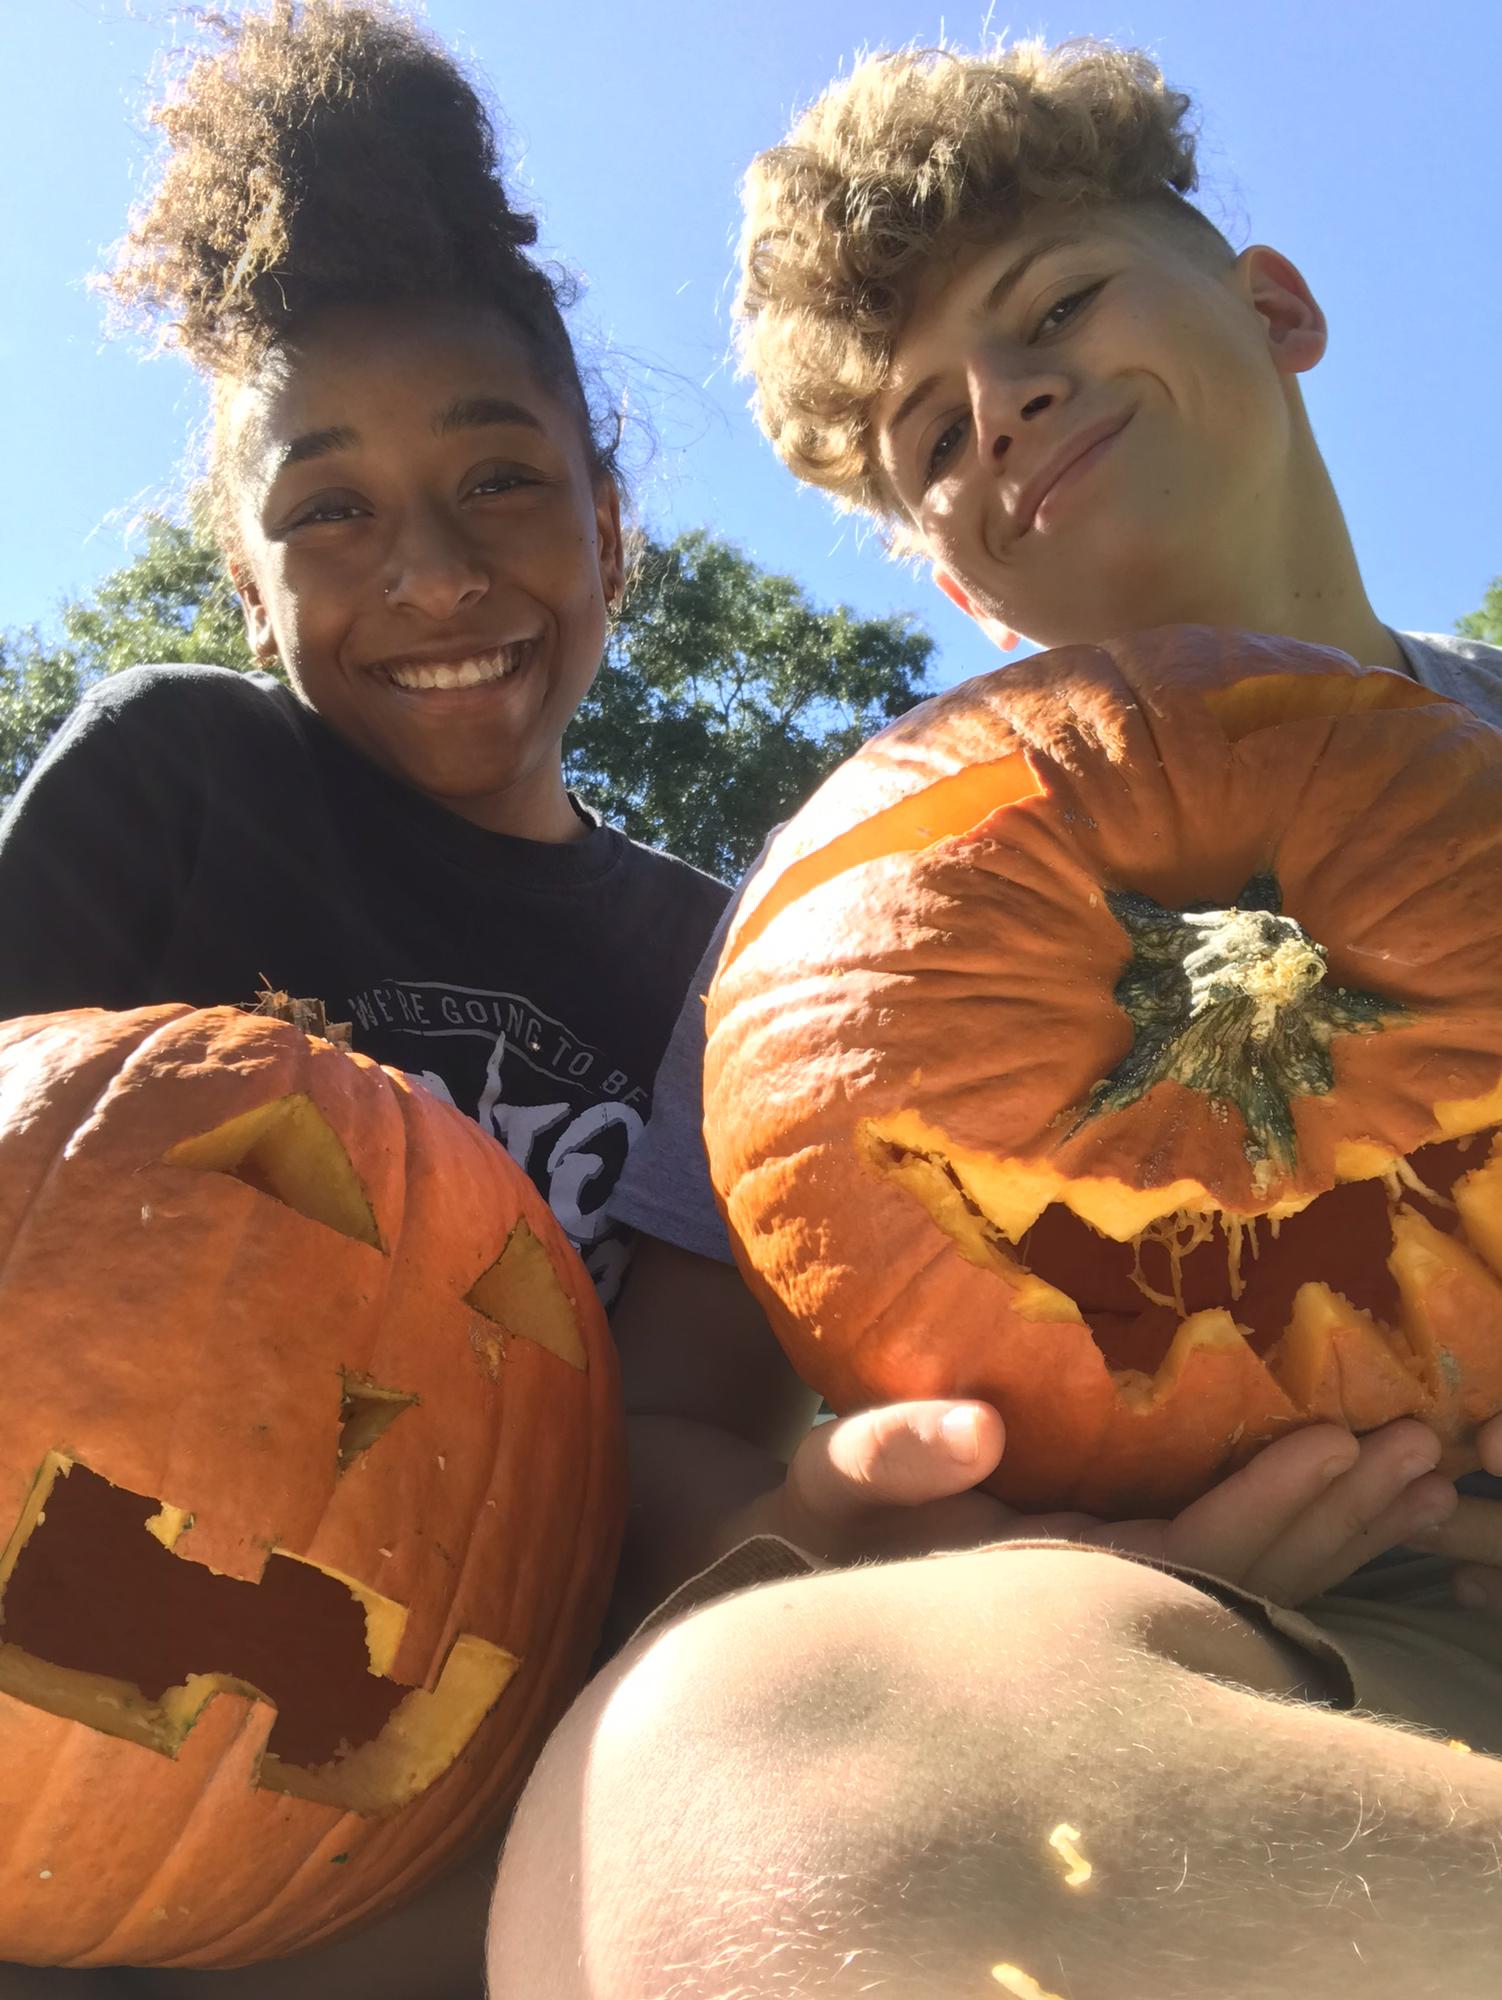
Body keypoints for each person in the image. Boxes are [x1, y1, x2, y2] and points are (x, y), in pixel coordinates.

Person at [489, 39, 1502, 1999]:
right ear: (944, 570)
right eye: (927, 442)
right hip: (1199, 1647)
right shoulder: (834, 924)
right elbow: (686, 1419)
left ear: (1273, 306)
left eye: (1051, 306)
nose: (1001, 403)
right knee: (729, 1804)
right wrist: (963, 1537)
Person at [0, 6, 813, 1997]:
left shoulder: (735, 965)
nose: (432, 572)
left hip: (495, 1764)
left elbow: (681, 1444)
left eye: (498, 482)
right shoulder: (178, 774)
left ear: (611, 522)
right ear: (245, 576)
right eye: (329, 511)